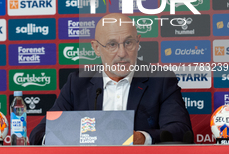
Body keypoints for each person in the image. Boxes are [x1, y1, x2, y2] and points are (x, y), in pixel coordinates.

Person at [30, 13, 192, 145]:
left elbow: (181, 130)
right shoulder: (77, 83)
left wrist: (143, 138)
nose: (122, 53)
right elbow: (40, 133)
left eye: (128, 43)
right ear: (96, 48)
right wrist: (62, 139)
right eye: (112, 45)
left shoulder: (161, 80)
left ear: (138, 42)